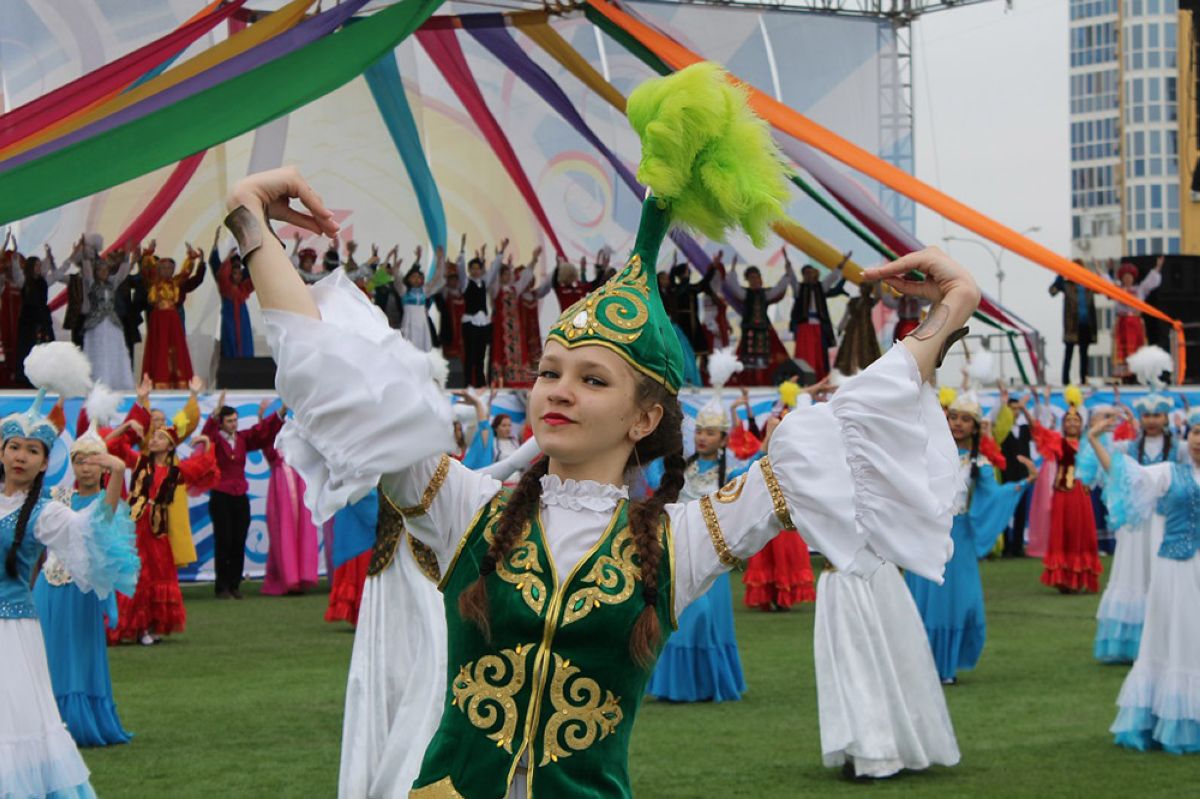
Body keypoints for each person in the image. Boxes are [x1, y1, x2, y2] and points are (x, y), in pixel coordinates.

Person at [225, 61, 978, 796]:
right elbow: (330, 372)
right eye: (551, 371)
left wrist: (952, 310)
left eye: (592, 380)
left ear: (645, 415)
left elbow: (845, 426)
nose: (558, 391)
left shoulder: (680, 543)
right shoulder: (465, 511)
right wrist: (248, 216)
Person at [1, 343, 139, 794]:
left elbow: (92, 531)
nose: (21, 456)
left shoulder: (44, 513)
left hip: (12, 631)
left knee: (18, 717)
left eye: (32, 450)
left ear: (45, 462)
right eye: (14, 447)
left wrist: (116, 474)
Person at [1087, 409, 1200, 754]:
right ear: (1188, 436)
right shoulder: (1169, 472)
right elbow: (1122, 476)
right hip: (1175, 570)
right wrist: (1094, 439)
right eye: (1197, 432)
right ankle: (1170, 720)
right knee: (1176, 636)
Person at [905, 392, 1033, 683]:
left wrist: (1024, 483)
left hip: (958, 538)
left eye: (966, 420)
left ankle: (946, 666)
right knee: (923, 599)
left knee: (960, 602)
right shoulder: (925, 454)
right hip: (926, 536)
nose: (958, 424)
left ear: (975, 427)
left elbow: (993, 497)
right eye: (954, 417)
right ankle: (918, 666)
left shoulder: (980, 464)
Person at [32, 410, 136, 747]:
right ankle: (45, 722)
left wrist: (111, 460)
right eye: (79, 461)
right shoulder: (57, 498)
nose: (85, 467)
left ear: (102, 464)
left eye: (92, 461)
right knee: (46, 653)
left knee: (79, 656)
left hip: (82, 591)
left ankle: (79, 722)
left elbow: (117, 476)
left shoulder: (105, 504)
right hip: (47, 588)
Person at [646, 381, 746, 703]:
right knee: (679, 615)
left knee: (704, 615)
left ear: (723, 439)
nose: (703, 436)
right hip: (679, 550)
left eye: (711, 433)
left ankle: (705, 684)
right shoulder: (681, 467)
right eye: (700, 430)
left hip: (713, 554)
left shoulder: (730, 471)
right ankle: (676, 687)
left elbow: (756, 479)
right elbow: (652, 481)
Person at [1089, 391, 1177, 663]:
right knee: (1134, 576)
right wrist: (1094, 438)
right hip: (1136, 527)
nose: (1152, 420)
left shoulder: (1182, 448)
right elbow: (1113, 471)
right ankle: (1133, 644)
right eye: (1147, 415)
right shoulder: (1128, 448)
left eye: (1157, 415)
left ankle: (1169, 641)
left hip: (1168, 523)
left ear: (1166, 418)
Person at [112, 418, 216, 645]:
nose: (154, 440)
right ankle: (134, 627)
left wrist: (205, 441)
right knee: (138, 574)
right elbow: (112, 446)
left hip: (157, 529)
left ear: (169, 446)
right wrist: (127, 425)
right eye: (154, 436)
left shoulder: (174, 471)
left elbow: (204, 466)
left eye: (160, 438)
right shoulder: (140, 461)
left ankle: (148, 626)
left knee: (158, 574)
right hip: (136, 526)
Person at [203, 392, 285, 599]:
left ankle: (234, 585)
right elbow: (208, 433)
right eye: (229, 421)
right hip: (221, 495)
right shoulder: (213, 441)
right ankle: (222, 587)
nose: (233, 424)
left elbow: (262, 431)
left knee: (239, 540)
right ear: (221, 423)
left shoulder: (242, 439)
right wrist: (214, 416)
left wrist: (281, 411)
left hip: (240, 496)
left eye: (235, 420)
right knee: (224, 541)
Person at [1032, 387, 1104, 593]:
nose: (1072, 423)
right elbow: (1039, 431)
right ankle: (1063, 578)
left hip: (1081, 494)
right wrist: (1033, 411)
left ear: (1082, 424)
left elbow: (1099, 465)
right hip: (1062, 494)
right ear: (1063, 424)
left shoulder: (1088, 444)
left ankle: (1080, 575)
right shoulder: (1059, 442)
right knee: (1062, 532)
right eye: (1069, 421)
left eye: (1076, 420)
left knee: (1081, 533)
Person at [261, 403, 320, 596]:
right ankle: (288, 576)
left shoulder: (302, 434)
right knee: (284, 527)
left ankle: (302, 575)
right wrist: (262, 418)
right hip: (282, 483)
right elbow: (265, 443)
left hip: (299, 480)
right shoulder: (274, 443)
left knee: (303, 528)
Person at [141, 242, 202, 388]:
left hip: (173, 319)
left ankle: (176, 381)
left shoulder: (176, 282)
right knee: (159, 348)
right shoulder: (153, 282)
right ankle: (160, 381)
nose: (167, 270)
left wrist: (191, 258)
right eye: (163, 268)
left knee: (176, 348)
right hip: (158, 319)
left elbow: (186, 273)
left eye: (170, 268)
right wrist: (148, 255)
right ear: (158, 269)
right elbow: (146, 271)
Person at [725, 254, 793, 385]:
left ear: (760, 279)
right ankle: (748, 383)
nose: (755, 280)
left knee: (771, 357)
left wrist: (788, 271)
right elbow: (733, 285)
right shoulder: (745, 293)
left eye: (757, 277)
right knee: (746, 359)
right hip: (749, 332)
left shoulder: (766, 294)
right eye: (751, 278)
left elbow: (780, 287)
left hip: (764, 331)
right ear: (748, 280)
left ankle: (769, 382)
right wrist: (733, 267)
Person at [80, 244, 136, 391]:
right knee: (98, 351)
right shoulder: (91, 284)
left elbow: (122, 274)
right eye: (101, 270)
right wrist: (85, 257)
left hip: (112, 323)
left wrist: (126, 258)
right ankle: (96, 382)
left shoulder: (112, 284)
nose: (104, 272)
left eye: (106, 270)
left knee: (113, 351)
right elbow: (86, 273)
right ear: (96, 272)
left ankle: (116, 382)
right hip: (96, 325)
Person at [15, 244, 72, 386]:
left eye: (40, 265)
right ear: (30, 267)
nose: (39, 268)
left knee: (46, 349)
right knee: (28, 349)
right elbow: (16, 271)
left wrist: (51, 255)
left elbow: (58, 273)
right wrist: (15, 256)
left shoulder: (44, 282)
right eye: (37, 265)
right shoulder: (23, 282)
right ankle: (26, 379)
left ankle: (46, 377)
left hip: (42, 320)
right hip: (28, 323)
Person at [788, 252, 844, 382]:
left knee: (819, 354)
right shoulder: (799, 288)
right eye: (806, 273)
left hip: (819, 327)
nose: (809, 275)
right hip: (804, 327)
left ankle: (820, 378)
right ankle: (802, 378)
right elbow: (792, 280)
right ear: (803, 275)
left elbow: (831, 278)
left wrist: (841, 265)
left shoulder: (820, 287)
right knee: (804, 353)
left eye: (810, 272)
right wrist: (789, 268)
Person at [1107, 258, 1164, 380]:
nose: (1128, 279)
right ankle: (1124, 376)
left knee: (1137, 350)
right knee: (1123, 352)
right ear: (1122, 278)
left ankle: (1137, 374)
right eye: (1125, 277)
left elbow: (1150, 281)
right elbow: (1106, 284)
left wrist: (1158, 267)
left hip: (1136, 324)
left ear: (1133, 278)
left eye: (1130, 277)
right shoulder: (1118, 290)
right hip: (1122, 324)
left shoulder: (1139, 290)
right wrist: (1104, 270)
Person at [1049, 263, 1098, 386]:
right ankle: (1065, 380)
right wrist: (1060, 274)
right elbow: (1052, 291)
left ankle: (1084, 379)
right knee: (1069, 352)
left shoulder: (1089, 285)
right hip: (1072, 324)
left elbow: (1104, 290)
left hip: (1086, 324)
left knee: (1084, 354)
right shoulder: (1067, 285)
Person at [212, 230, 256, 360]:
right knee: (230, 339)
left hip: (242, 316)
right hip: (229, 316)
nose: (237, 275)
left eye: (239, 273)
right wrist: (225, 256)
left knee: (244, 339)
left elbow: (253, 277)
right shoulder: (226, 287)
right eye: (234, 272)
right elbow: (221, 273)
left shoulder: (243, 288)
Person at [833, 280, 882, 376]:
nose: (864, 290)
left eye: (866, 288)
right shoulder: (853, 301)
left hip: (866, 328)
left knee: (866, 347)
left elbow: (878, 296)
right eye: (862, 287)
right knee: (851, 346)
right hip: (853, 327)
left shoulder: (869, 301)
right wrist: (840, 328)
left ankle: (865, 369)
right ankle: (851, 368)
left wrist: (877, 283)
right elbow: (846, 316)